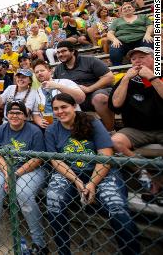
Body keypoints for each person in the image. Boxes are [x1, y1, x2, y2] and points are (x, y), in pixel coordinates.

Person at [45, 93, 140, 255]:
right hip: (70, 173)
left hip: (102, 172)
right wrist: (76, 180)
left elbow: (105, 156)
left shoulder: (92, 122)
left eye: (64, 107)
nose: (60, 111)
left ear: (74, 106)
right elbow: (56, 161)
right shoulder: (52, 130)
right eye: (56, 109)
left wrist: (92, 183)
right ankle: (63, 251)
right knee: (53, 200)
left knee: (116, 206)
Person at [0, 101, 48, 254]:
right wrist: (7, 173)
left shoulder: (35, 131)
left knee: (23, 193)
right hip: (6, 168)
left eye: (19, 113)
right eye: (11, 112)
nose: (14, 115)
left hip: (31, 169)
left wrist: (14, 175)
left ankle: (39, 242)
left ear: (25, 116)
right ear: (7, 115)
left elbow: (37, 159)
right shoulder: (0, 130)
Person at [109, 47, 163, 196]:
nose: (137, 61)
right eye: (133, 59)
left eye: (142, 57)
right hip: (137, 129)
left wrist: (152, 77)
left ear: (154, 59)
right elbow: (116, 104)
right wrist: (126, 79)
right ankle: (148, 176)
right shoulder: (128, 79)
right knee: (114, 142)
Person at [53, 40, 115, 131]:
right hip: (75, 99)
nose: (60, 54)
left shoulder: (90, 60)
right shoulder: (58, 69)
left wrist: (90, 89)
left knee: (99, 98)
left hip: (94, 93)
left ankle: (110, 131)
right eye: (58, 53)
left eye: (63, 51)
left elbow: (110, 77)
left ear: (72, 51)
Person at [32, 59, 85, 129]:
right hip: (51, 127)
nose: (39, 73)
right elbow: (35, 113)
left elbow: (81, 98)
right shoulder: (36, 92)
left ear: (50, 71)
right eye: (36, 72)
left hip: (73, 124)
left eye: (42, 70)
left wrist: (58, 86)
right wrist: (39, 121)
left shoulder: (65, 82)